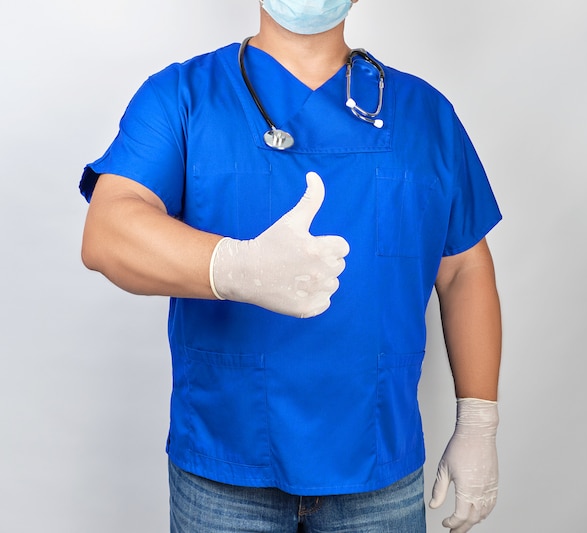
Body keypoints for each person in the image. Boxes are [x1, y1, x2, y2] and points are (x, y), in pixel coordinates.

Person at [80, 1, 502, 532]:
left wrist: (479, 420)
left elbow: (463, 270)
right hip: (223, 467)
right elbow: (107, 231)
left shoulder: (424, 114)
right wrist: (237, 266)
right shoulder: (182, 97)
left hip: (377, 468)